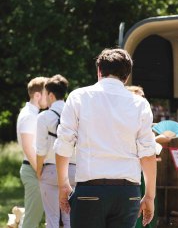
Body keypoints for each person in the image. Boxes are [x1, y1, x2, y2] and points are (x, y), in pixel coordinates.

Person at [54, 48, 158, 228]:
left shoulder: (79, 97)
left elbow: (64, 143)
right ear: (126, 76)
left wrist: (63, 184)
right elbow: (148, 154)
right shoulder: (140, 104)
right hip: (128, 192)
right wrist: (149, 195)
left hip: (90, 189)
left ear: (99, 71)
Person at [126, 85, 172, 228]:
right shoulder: (125, 120)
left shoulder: (143, 119)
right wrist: (159, 139)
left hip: (143, 175)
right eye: (138, 96)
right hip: (130, 176)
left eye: (143, 96)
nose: (142, 100)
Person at [36, 74, 76, 228]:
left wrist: (39, 170)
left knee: (52, 218)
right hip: (73, 170)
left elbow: (41, 149)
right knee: (70, 218)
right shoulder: (74, 115)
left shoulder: (43, 117)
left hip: (51, 170)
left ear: (51, 95)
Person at [17, 76, 48, 228]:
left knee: (32, 216)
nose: (49, 97)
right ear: (37, 95)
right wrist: (40, 172)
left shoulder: (32, 113)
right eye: (46, 93)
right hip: (33, 169)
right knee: (32, 220)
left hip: (33, 168)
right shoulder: (29, 116)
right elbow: (28, 147)